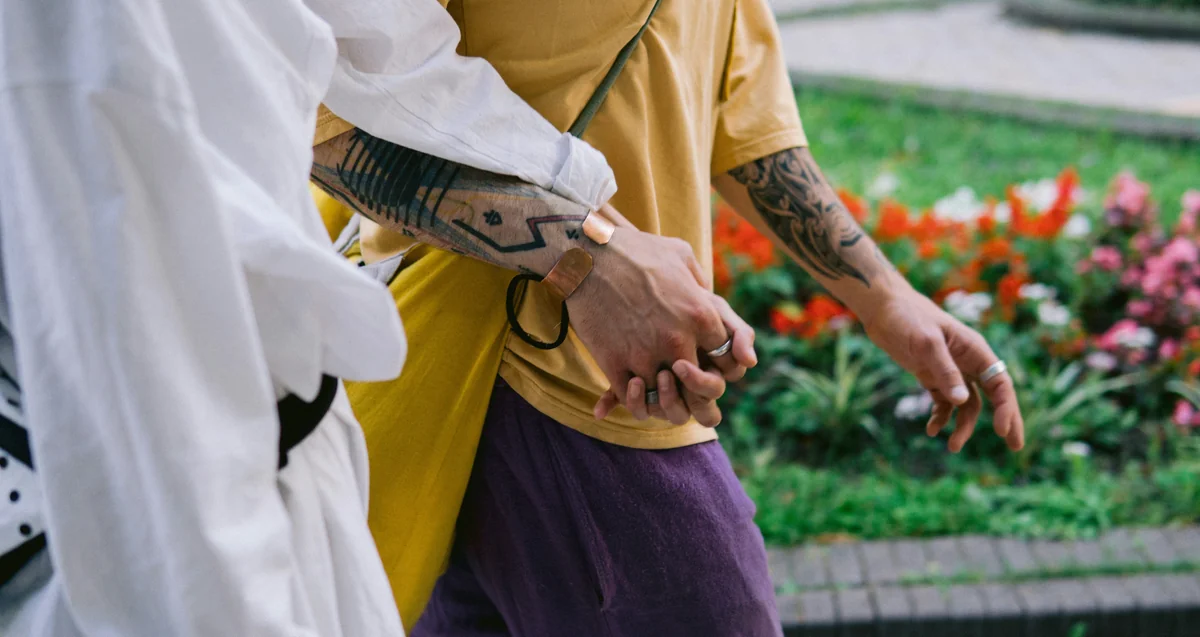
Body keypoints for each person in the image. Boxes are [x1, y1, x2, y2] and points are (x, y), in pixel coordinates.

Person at [0, 0, 732, 634]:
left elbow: (381, 55)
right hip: (206, 430)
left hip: (305, 417)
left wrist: (625, 262)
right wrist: (592, 256)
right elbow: (346, 103)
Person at [314, 1, 1026, 635]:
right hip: (548, 381)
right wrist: (589, 256)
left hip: (580, 380)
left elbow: (737, 111)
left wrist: (885, 298)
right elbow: (326, 114)